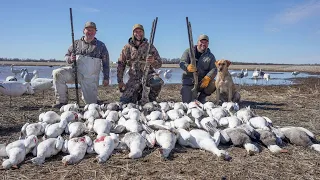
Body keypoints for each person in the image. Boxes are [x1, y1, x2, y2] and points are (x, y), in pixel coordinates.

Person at [52, 21, 110, 108]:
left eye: (92, 30)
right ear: (83, 31)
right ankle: (61, 101)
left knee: (91, 105)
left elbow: (106, 63)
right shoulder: (76, 43)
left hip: (90, 78)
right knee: (58, 73)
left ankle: (93, 98)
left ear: (95, 32)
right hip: (76, 73)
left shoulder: (101, 46)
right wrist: (70, 59)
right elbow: (66, 56)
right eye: (88, 30)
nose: (90, 32)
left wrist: (106, 77)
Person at [117, 24, 163, 104]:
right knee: (124, 102)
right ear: (133, 33)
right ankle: (138, 94)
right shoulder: (127, 48)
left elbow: (159, 64)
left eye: (140, 31)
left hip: (148, 75)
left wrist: (153, 61)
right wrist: (120, 81)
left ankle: (151, 99)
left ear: (143, 33)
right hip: (134, 78)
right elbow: (121, 64)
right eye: (136, 31)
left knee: (157, 81)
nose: (138, 33)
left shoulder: (150, 46)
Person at [179, 34, 217, 103]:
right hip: (190, 80)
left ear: (208, 44)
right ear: (197, 42)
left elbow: (214, 69)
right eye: (201, 42)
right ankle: (191, 94)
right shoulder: (188, 51)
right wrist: (187, 66)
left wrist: (207, 78)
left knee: (214, 83)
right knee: (187, 103)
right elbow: (182, 62)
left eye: (206, 42)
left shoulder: (211, 56)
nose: (203, 44)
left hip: (202, 81)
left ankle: (202, 96)